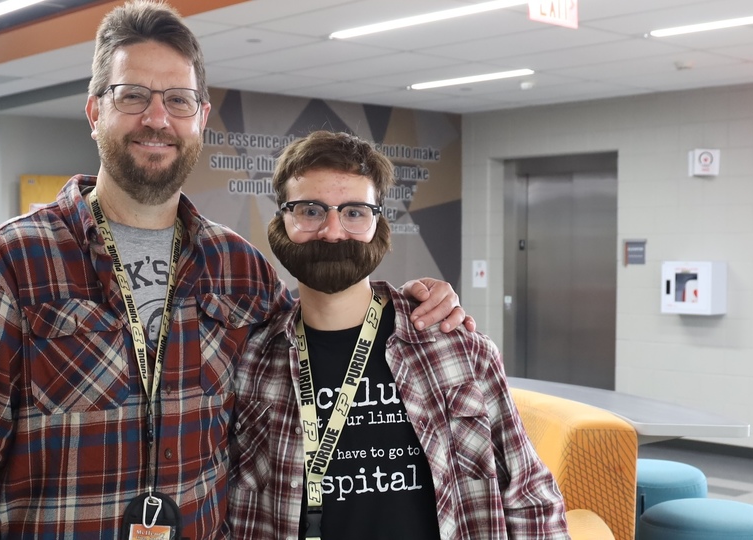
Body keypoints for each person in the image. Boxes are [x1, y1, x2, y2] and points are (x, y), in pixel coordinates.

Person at [0, 2, 472, 538]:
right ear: (95, 111)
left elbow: (323, 331)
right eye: (132, 96)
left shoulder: (240, 270)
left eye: (178, 100)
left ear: (200, 117)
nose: (157, 118)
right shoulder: (10, 265)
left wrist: (411, 304)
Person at [226, 131, 569, 539]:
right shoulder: (251, 361)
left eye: (355, 212)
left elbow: (530, 497)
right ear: (281, 221)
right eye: (311, 210)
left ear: (379, 224)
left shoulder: (459, 349)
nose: (333, 231)